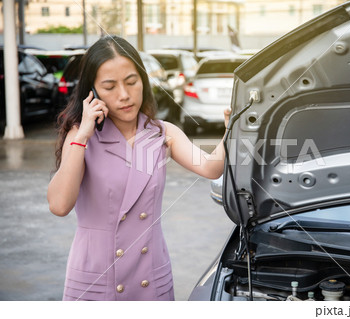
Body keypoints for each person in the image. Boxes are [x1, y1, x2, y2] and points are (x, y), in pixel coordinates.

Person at [47, 35, 230, 301]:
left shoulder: (161, 133)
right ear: (92, 93)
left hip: (150, 278)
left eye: (132, 82)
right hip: (95, 278)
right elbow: (60, 205)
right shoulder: (81, 137)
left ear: (143, 81)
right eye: (110, 86)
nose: (124, 95)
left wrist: (232, 128)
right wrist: (83, 135)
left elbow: (212, 168)